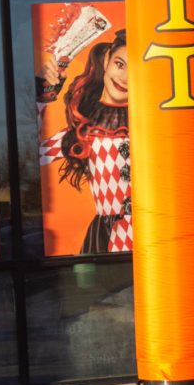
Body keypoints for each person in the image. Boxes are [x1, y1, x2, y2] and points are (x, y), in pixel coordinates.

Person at [37, 29, 131, 253]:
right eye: (120, 64)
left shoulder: (155, 122)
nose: (125, 78)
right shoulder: (85, 129)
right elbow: (32, 155)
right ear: (107, 58)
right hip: (107, 238)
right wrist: (43, 95)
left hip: (154, 231)